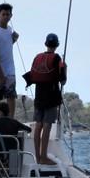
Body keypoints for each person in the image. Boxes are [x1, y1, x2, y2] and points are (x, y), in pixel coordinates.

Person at [27, 33, 67, 165]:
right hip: (51, 95)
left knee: (38, 125)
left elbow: (32, 75)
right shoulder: (57, 58)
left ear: (46, 44)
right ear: (57, 45)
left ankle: (37, 157)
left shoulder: (37, 57)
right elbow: (63, 80)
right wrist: (64, 68)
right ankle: (44, 157)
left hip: (39, 95)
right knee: (47, 125)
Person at [0, 2, 20, 118]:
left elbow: (6, 46)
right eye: (3, 14)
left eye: (8, 14)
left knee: (11, 96)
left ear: (11, 16)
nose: (6, 16)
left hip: (10, 69)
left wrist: (13, 39)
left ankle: (11, 119)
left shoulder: (10, 30)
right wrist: (0, 71)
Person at [0, 101, 31, 174]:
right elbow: (29, 129)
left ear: (0, 113)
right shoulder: (14, 122)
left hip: (2, 155)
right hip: (14, 154)